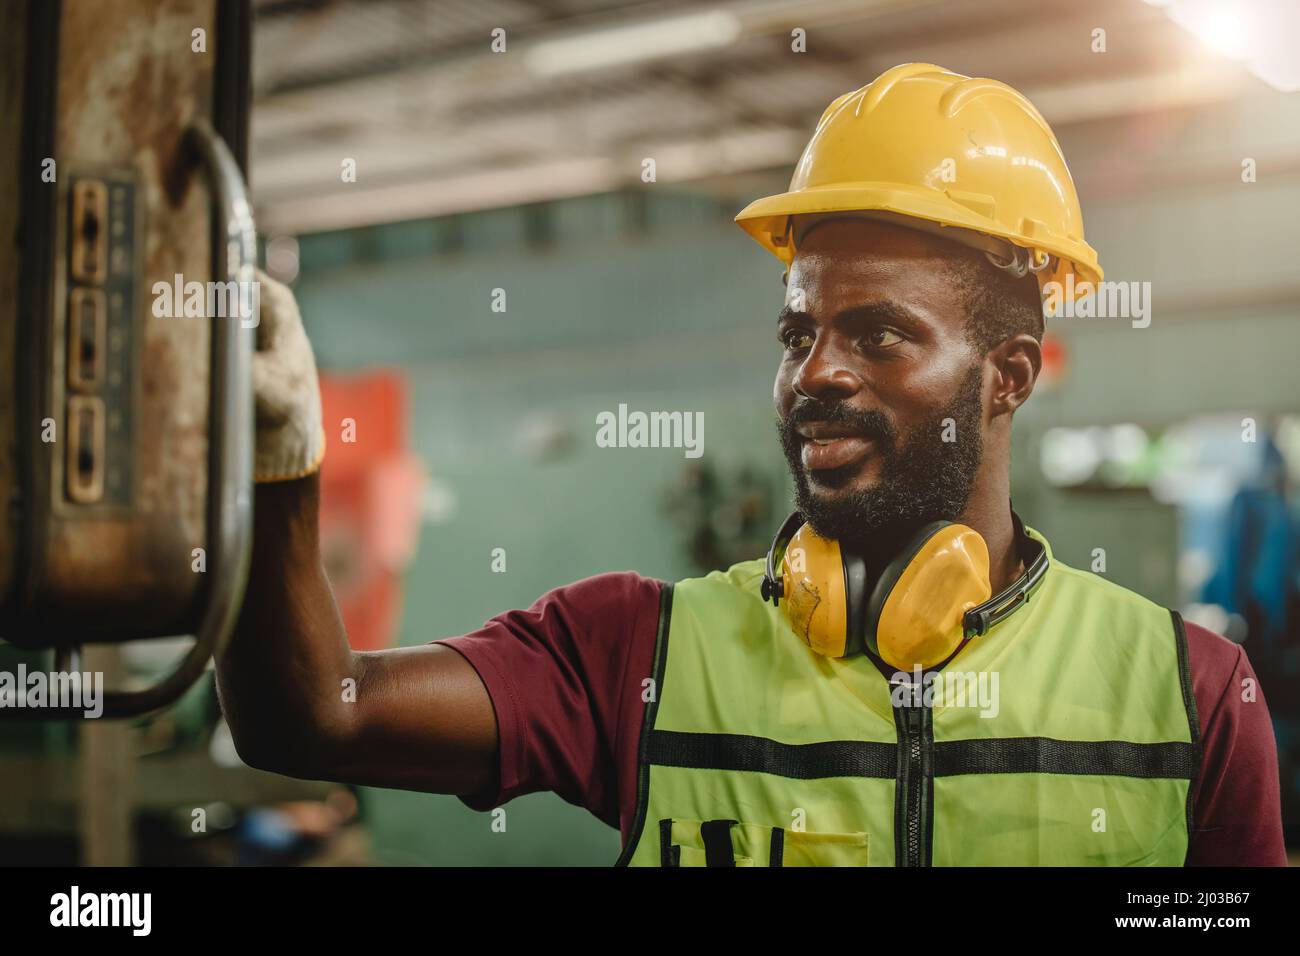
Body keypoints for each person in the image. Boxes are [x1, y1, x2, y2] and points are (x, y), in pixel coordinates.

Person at [217, 63, 1286, 866]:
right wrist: (279, 466)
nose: (813, 374)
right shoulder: (634, 653)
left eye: (877, 334)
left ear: (1005, 376)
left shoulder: (1187, 697)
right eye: (795, 333)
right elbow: (315, 711)